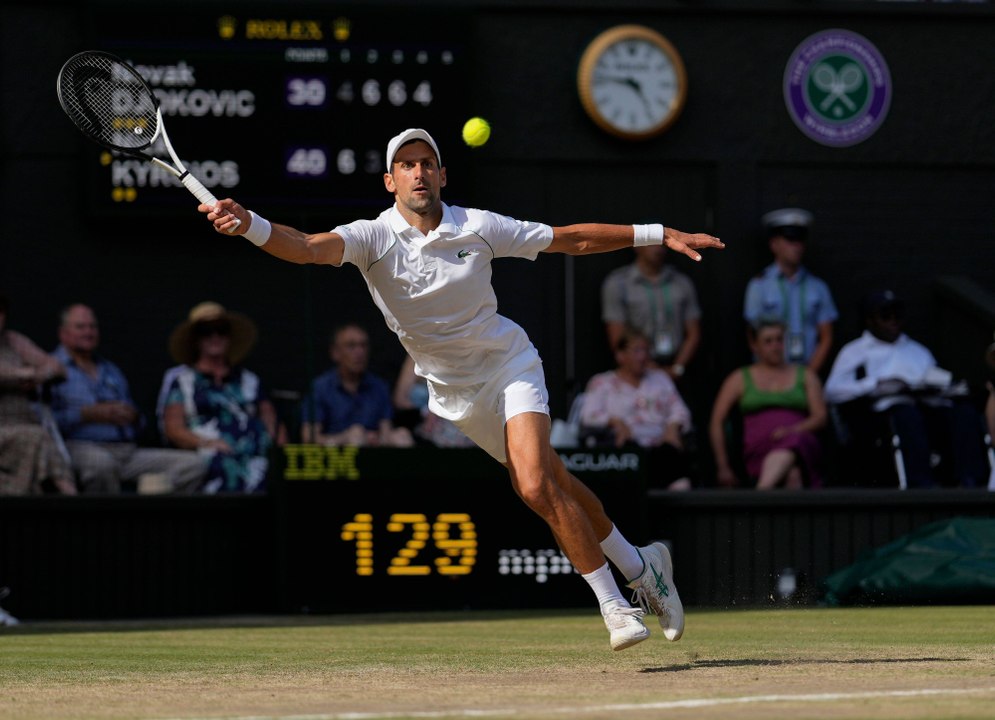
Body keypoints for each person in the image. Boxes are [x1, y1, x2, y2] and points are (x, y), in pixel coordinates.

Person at [199, 128, 723, 650]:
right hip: (457, 396)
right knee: (556, 481)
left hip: (510, 365)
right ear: (390, 181)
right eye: (406, 165)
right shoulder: (372, 238)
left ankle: (616, 606)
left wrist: (656, 233)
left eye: (427, 162)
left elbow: (571, 238)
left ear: (442, 174)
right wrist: (249, 224)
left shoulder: (478, 226)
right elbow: (307, 247)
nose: (418, 172)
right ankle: (645, 566)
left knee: (536, 486)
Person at [824, 290, 989, 488]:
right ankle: (920, 483)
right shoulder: (854, 351)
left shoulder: (918, 350)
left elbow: (936, 378)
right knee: (907, 415)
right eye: (885, 315)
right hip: (885, 415)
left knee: (965, 413)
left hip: (928, 406)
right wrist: (876, 385)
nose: (893, 320)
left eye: (897, 314)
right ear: (870, 320)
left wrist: (949, 388)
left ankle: (971, 480)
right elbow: (832, 391)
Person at [49, 303, 208, 494]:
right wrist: (85, 414)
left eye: (92, 327)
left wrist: (133, 417)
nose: (88, 332)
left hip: (126, 450)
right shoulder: (51, 367)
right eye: (80, 327)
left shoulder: (110, 370)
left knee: (192, 465)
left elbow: (140, 423)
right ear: (63, 333)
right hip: (79, 447)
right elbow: (44, 422)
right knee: (101, 465)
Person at [161, 301, 277, 493]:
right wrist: (207, 443)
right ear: (196, 339)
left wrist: (275, 448)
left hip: (256, 452)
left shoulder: (249, 380)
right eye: (206, 331)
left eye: (221, 330)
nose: (215, 337)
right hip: (211, 452)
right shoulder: (183, 381)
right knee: (222, 466)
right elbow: (173, 429)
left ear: (229, 336)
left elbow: (270, 417)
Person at [709, 318, 827, 490]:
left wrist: (792, 430)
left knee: (794, 442)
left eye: (779, 340)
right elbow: (716, 422)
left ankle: (761, 492)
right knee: (793, 475)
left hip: (802, 441)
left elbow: (820, 417)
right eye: (768, 341)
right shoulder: (739, 378)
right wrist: (723, 466)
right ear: (754, 345)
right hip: (760, 448)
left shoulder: (806, 375)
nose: (775, 346)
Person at [579, 328, 694, 491]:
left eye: (646, 350)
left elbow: (681, 411)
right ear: (620, 355)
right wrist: (615, 422)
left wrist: (673, 426)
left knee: (674, 463)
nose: (643, 357)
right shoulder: (602, 383)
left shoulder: (660, 379)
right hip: (623, 451)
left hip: (659, 449)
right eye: (637, 351)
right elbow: (588, 416)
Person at [743, 208, 837, 374]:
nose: (797, 246)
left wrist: (808, 376)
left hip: (807, 371)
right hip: (769, 373)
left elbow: (826, 337)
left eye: (800, 240)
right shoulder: (759, 285)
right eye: (790, 240)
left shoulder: (818, 286)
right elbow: (753, 335)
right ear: (774, 244)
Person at [0, 294, 76, 495]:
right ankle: (69, 496)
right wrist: (21, 374)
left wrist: (40, 375)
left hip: (26, 423)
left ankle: (74, 504)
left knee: (43, 437)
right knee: (36, 437)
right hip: (5, 429)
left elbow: (58, 367)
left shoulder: (12, 340)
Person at [302, 322, 413, 447]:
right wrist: (344, 438)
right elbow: (308, 437)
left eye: (363, 345)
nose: (359, 352)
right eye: (351, 346)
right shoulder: (320, 388)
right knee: (356, 438)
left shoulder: (379, 386)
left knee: (401, 436)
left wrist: (379, 438)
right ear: (335, 352)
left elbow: (385, 429)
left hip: (372, 451)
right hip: (336, 457)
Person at [601, 244, 702, 380]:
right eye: (651, 243)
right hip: (636, 368)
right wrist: (647, 367)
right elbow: (618, 337)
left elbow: (693, 333)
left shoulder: (681, 282)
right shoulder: (618, 283)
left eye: (661, 243)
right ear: (637, 246)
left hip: (676, 367)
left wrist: (677, 368)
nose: (657, 248)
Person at [393, 353, 474, 448]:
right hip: (424, 423)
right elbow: (400, 399)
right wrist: (427, 411)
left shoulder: (470, 353)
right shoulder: (417, 352)